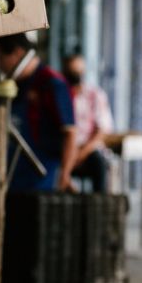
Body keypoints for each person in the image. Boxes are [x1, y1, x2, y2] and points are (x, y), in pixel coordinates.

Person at [0, 33, 80, 283]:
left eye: (1, 58)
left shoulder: (51, 84)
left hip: (41, 186)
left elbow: (71, 133)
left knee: (28, 262)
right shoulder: (16, 89)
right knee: (22, 261)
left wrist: (65, 175)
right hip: (16, 184)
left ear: (16, 53)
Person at [62, 54, 115, 192]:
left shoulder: (95, 95)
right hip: (64, 147)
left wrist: (81, 154)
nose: (76, 76)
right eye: (72, 72)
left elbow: (102, 131)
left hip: (86, 149)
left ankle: (99, 205)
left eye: (78, 72)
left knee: (99, 164)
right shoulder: (61, 95)